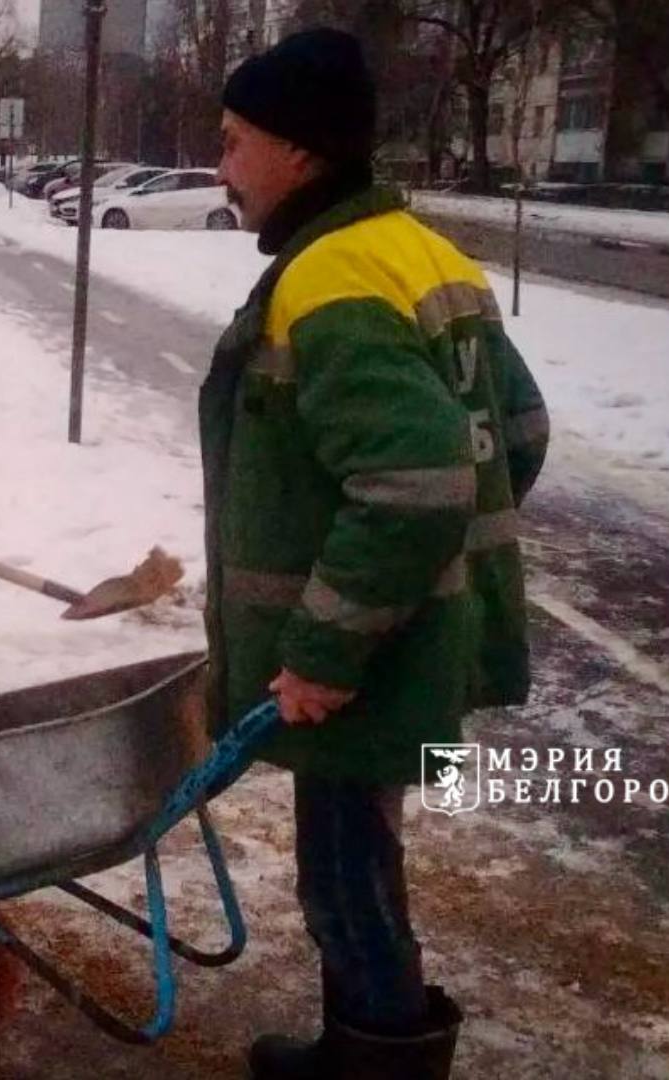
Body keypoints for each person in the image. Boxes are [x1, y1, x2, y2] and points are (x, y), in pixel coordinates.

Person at [204, 28, 550, 1080]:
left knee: (345, 877)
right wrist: (435, 576)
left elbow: (414, 484)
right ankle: (370, 1043)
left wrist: (327, 645)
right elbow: (518, 434)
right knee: (362, 861)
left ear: (300, 152)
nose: (221, 165)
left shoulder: (333, 277)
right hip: (406, 631)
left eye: (233, 142)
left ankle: (378, 1061)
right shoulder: (427, 256)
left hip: (358, 656)